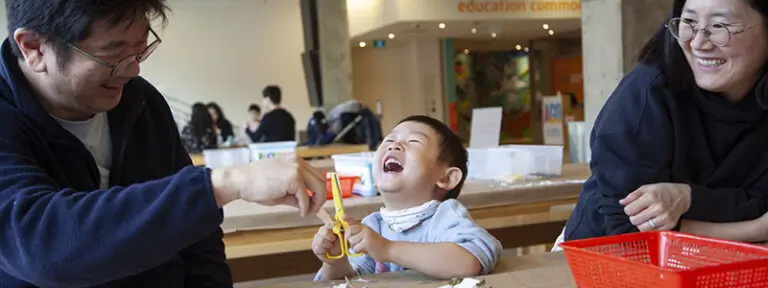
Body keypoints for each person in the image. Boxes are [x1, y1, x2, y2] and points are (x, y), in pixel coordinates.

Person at [0, 0, 328, 287]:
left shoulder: (141, 101)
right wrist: (221, 184)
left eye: (141, 48)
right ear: (34, 48)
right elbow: (40, 245)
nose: (133, 69)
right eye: (113, 54)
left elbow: (199, 243)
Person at [562, 0, 768, 243]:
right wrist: (755, 229)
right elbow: (631, 234)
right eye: (689, 22)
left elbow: (762, 200)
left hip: (730, 257)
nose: (698, 43)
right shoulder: (644, 97)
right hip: (598, 254)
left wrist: (687, 198)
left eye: (719, 25)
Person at [311, 115, 502, 281]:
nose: (394, 145)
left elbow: (470, 262)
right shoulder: (373, 226)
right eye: (388, 140)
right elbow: (351, 280)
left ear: (446, 178)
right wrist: (336, 261)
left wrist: (388, 249)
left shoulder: (446, 216)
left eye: (414, 141)